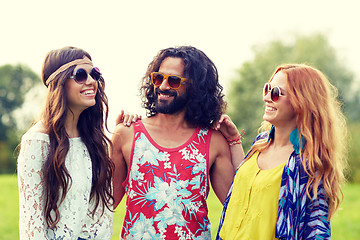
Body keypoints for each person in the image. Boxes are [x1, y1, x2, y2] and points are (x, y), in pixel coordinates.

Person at [111, 46, 240, 239]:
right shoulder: (127, 134)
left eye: (173, 80)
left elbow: (238, 206)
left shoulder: (212, 141)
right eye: (158, 78)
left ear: (195, 87)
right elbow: (103, 204)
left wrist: (234, 141)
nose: (163, 86)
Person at [215, 64, 347, 239]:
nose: (267, 98)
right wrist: (234, 140)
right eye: (267, 89)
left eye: (276, 92)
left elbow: (317, 229)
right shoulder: (261, 142)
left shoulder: (309, 163)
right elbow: (245, 187)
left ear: (302, 101)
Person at [17, 46, 135, 239]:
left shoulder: (96, 141)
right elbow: (32, 225)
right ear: (59, 83)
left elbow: (106, 203)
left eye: (94, 74)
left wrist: (122, 133)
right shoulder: (37, 141)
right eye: (80, 75)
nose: (91, 81)